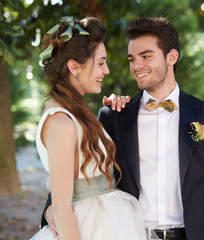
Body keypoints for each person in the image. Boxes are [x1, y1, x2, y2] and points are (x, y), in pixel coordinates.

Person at [98, 17, 204, 240]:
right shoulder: (114, 116)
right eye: (132, 59)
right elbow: (85, 172)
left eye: (146, 56)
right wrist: (52, 210)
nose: (136, 66)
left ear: (172, 56)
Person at [30, 16, 148, 240]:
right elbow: (61, 207)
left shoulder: (77, 113)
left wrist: (116, 114)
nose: (107, 70)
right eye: (101, 62)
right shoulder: (61, 122)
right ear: (74, 66)